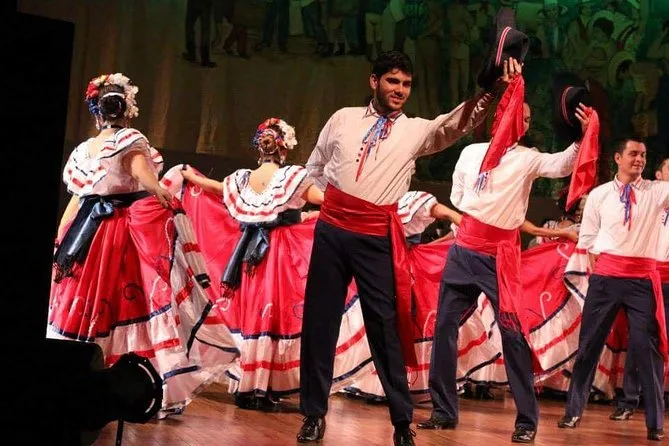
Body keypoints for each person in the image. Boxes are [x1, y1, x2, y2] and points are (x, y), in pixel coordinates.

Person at [298, 49, 518, 446]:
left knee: (385, 328)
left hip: (375, 237)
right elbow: (314, 167)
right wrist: (330, 200)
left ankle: (402, 422)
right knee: (319, 323)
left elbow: (458, 123)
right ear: (374, 81)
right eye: (392, 81)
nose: (400, 90)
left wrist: (489, 90)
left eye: (406, 84)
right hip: (332, 230)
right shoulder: (342, 118)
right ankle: (313, 414)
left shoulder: (416, 130)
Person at [48, 73, 237, 416]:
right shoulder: (128, 139)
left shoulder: (85, 150)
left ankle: (80, 379)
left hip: (86, 232)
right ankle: (108, 383)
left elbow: (79, 199)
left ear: (97, 111)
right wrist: (158, 189)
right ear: (126, 110)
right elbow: (139, 171)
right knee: (123, 302)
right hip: (113, 232)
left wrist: (62, 237)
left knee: (91, 303)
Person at [418, 80, 591, 444]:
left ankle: (526, 420)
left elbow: (563, 164)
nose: (523, 122)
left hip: (500, 255)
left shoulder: (527, 158)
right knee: (444, 328)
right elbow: (459, 197)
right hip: (464, 249)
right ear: (501, 115)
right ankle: (443, 410)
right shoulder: (471, 153)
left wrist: (583, 136)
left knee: (512, 336)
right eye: (519, 114)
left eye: (528, 119)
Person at [175, 118, 372, 411]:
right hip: (279, 252)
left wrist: (191, 177)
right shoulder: (290, 177)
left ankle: (250, 384)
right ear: (284, 149)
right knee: (276, 314)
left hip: (248, 254)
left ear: (260, 147)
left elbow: (217, 188)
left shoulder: (243, 179)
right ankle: (263, 385)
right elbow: (322, 199)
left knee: (255, 311)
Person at [557, 141, 669, 442]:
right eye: (633, 154)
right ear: (617, 158)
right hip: (606, 277)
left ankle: (655, 422)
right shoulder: (600, 194)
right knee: (589, 344)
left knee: (647, 349)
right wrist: (604, 270)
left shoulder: (657, 191)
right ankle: (573, 411)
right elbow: (588, 238)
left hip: (642, 279)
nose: (639, 159)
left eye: (643, 155)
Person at [607, 157, 669, 421]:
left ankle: (657, 404)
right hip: (648, 277)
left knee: (660, 341)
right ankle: (628, 400)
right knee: (640, 339)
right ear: (658, 175)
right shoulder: (645, 200)